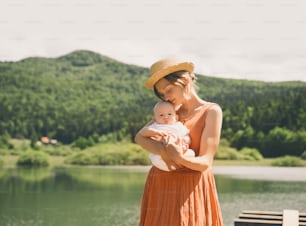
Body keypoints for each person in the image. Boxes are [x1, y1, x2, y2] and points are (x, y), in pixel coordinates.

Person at [135, 57, 224, 226]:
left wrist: (179, 158)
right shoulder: (168, 111)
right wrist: (164, 151)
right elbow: (139, 137)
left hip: (191, 188)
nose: (166, 97)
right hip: (160, 184)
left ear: (184, 80)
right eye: (161, 94)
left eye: (168, 90)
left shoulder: (211, 111)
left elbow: (206, 162)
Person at [140, 100, 195, 171]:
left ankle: (178, 164)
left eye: (169, 114)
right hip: (160, 158)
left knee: (191, 153)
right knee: (156, 155)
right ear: (155, 119)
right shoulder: (156, 126)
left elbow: (186, 136)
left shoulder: (178, 126)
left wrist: (185, 141)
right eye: (161, 115)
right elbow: (143, 132)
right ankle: (171, 164)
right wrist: (156, 132)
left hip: (178, 154)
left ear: (176, 117)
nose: (166, 117)